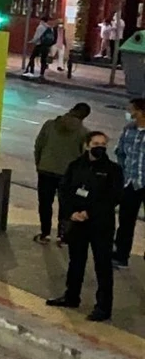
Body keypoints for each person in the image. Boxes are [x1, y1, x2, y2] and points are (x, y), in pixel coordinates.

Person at [50, 130, 120, 321]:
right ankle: (71, 296)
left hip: (100, 224)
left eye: (103, 144)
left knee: (102, 265)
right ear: (87, 145)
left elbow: (112, 198)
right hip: (77, 223)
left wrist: (88, 213)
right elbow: (64, 191)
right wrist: (72, 213)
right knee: (76, 262)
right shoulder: (75, 166)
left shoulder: (113, 170)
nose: (100, 147)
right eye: (96, 143)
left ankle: (104, 307)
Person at [33, 102, 92, 243]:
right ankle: (62, 235)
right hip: (68, 174)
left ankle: (45, 234)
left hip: (46, 169)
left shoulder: (49, 125)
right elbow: (84, 157)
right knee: (66, 205)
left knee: (45, 203)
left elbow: (38, 146)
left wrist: (40, 164)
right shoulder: (84, 133)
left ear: (71, 109)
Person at [111, 98, 145, 268]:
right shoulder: (129, 130)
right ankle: (121, 255)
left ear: (140, 112)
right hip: (130, 183)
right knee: (126, 222)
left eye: (131, 109)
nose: (129, 112)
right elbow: (120, 152)